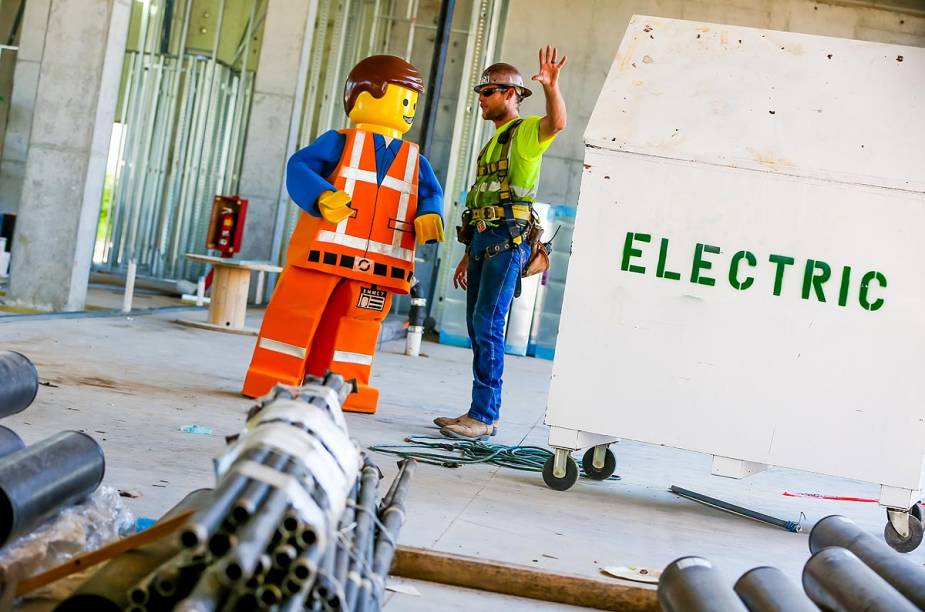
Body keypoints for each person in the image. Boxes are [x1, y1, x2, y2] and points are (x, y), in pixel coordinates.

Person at [241, 55, 444, 414]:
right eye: (403, 98)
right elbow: (299, 166)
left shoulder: (415, 160)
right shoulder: (339, 142)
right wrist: (321, 195)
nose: (409, 108)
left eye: (413, 101)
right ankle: (275, 374)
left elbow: (431, 193)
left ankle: (345, 385)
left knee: (358, 326)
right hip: (321, 252)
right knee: (295, 314)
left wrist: (430, 215)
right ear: (366, 95)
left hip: (379, 264)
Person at [435, 47, 567, 440]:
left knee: (488, 324)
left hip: (507, 241)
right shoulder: (494, 143)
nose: (481, 98)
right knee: (478, 328)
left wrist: (552, 87)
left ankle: (485, 416)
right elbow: (483, 200)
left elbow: (557, 124)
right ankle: (479, 411)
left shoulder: (525, 134)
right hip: (483, 240)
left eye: (489, 91)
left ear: (512, 95)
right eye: (482, 91)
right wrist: (466, 253)